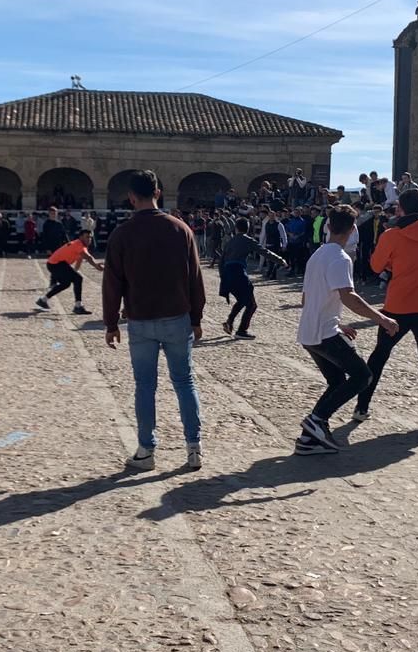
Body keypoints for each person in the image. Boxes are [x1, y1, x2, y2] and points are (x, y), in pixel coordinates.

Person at [103, 170, 204, 472]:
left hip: (141, 320)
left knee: (145, 386)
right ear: (158, 193)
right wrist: (196, 317)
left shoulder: (122, 234)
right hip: (177, 317)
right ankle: (193, 448)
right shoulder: (181, 229)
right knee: (184, 382)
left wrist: (110, 323)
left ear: (132, 197)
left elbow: (112, 283)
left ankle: (146, 451)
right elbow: (195, 279)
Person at [294, 208, 400, 455]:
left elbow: (307, 297)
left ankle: (308, 441)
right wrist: (381, 318)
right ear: (353, 230)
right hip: (324, 332)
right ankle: (316, 420)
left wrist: (338, 322)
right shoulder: (340, 258)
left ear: (328, 227)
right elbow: (348, 296)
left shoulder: (317, 255)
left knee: (337, 381)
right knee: (363, 376)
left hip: (310, 331)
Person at [354, 187, 418, 426]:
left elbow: (375, 266)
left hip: (398, 305)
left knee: (379, 357)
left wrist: (393, 266)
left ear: (400, 208)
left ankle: (362, 406)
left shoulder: (391, 236)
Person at [217, 217, 280, 337]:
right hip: (238, 272)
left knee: (242, 300)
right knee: (251, 304)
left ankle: (229, 322)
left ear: (236, 228)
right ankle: (242, 330)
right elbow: (264, 252)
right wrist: (281, 261)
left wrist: (223, 278)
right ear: (248, 228)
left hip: (227, 273)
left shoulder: (230, 241)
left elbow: (221, 261)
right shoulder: (248, 240)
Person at [37, 231, 104, 314]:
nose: (89, 239)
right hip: (56, 264)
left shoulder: (81, 246)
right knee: (78, 278)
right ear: (81, 237)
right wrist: (96, 265)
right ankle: (78, 306)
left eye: (90, 237)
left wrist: (74, 272)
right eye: (87, 237)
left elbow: (80, 260)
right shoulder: (78, 244)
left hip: (55, 264)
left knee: (66, 283)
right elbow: (88, 257)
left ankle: (43, 300)